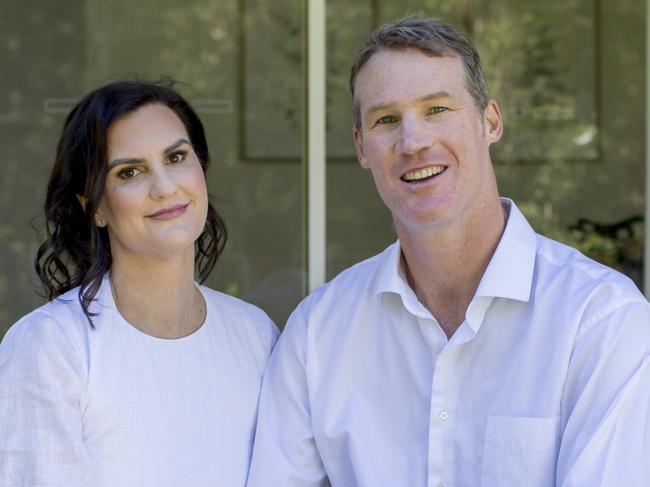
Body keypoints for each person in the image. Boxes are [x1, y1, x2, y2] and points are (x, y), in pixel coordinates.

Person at [246, 16, 650, 486]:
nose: (413, 141)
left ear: (490, 121)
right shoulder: (317, 334)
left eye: (437, 109)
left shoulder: (600, 319)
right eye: (386, 120)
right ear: (361, 147)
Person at [0, 80, 279, 486]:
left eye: (177, 157)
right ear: (94, 206)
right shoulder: (51, 346)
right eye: (130, 171)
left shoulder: (255, 335)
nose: (165, 187)